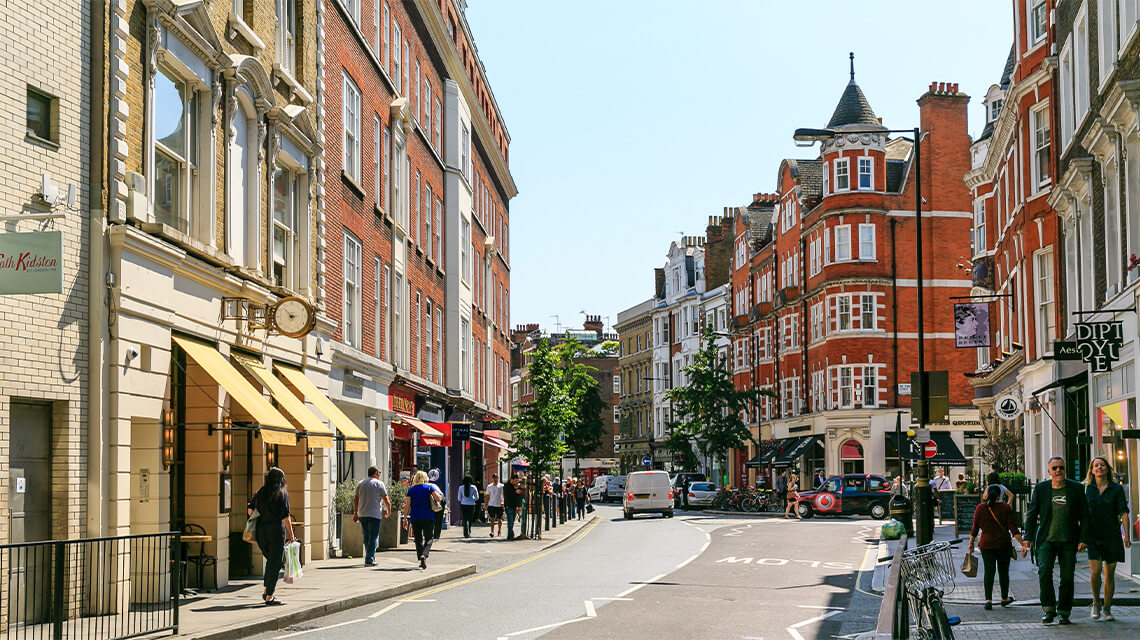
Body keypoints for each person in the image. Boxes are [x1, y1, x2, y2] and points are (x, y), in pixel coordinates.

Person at [1025, 456, 1090, 625]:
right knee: (1044, 572)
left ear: (1065, 469)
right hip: (1046, 539)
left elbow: (1085, 515)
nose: (1058, 471)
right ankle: (1049, 609)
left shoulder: (1076, 488)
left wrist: (1083, 538)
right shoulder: (1041, 489)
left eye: (1061, 467)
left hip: (1068, 540)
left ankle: (1064, 611)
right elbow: (1032, 514)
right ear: (1049, 472)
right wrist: (1027, 538)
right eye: (1054, 468)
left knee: (1067, 577)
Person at [1085, 456, 1131, 621]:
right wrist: (1081, 537)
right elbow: (1081, 514)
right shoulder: (1087, 489)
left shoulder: (1115, 489)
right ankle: (1096, 603)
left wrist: (1126, 534)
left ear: (1107, 469)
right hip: (1093, 535)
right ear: (1092, 470)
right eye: (1096, 466)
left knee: (1109, 573)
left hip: (1111, 535)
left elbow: (1123, 513)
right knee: (1095, 572)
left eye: (1102, 465)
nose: (1099, 468)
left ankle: (1107, 608)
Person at [969, 484, 1029, 610]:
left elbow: (974, 529)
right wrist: (1023, 543)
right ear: (999, 496)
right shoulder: (1005, 508)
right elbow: (1013, 529)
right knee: (1003, 572)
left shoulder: (980, 508)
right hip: (1003, 544)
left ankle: (988, 600)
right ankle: (1004, 597)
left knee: (988, 571)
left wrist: (971, 544)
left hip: (986, 545)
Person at [246, 467, 295, 605]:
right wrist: (291, 535)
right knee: (275, 563)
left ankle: (266, 588)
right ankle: (269, 595)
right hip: (276, 532)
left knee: (271, 560)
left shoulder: (260, 492)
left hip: (261, 531)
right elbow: (286, 517)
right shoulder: (282, 494)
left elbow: (250, 510)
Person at [352, 466, 391, 567]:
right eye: (379, 473)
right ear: (376, 473)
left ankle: (370, 556)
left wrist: (355, 513)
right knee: (373, 537)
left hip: (362, 514)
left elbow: (356, 499)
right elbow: (386, 498)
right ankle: (369, 559)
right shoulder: (379, 483)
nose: (379, 475)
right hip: (374, 514)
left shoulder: (361, 483)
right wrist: (388, 510)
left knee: (366, 537)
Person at [404, 471, 443, 569]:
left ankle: (420, 556)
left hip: (415, 517)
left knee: (418, 538)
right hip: (428, 516)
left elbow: (407, 505)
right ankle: (424, 555)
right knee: (429, 538)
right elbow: (438, 499)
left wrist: (405, 518)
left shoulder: (411, 490)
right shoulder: (429, 488)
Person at [503, 474, 520, 540]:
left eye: (517, 481)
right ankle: (511, 535)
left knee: (512, 521)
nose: (516, 482)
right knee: (510, 521)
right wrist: (515, 491)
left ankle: (510, 535)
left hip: (514, 505)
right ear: (511, 480)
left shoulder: (514, 486)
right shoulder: (507, 486)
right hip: (508, 505)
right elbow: (507, 495)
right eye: (515, 481)